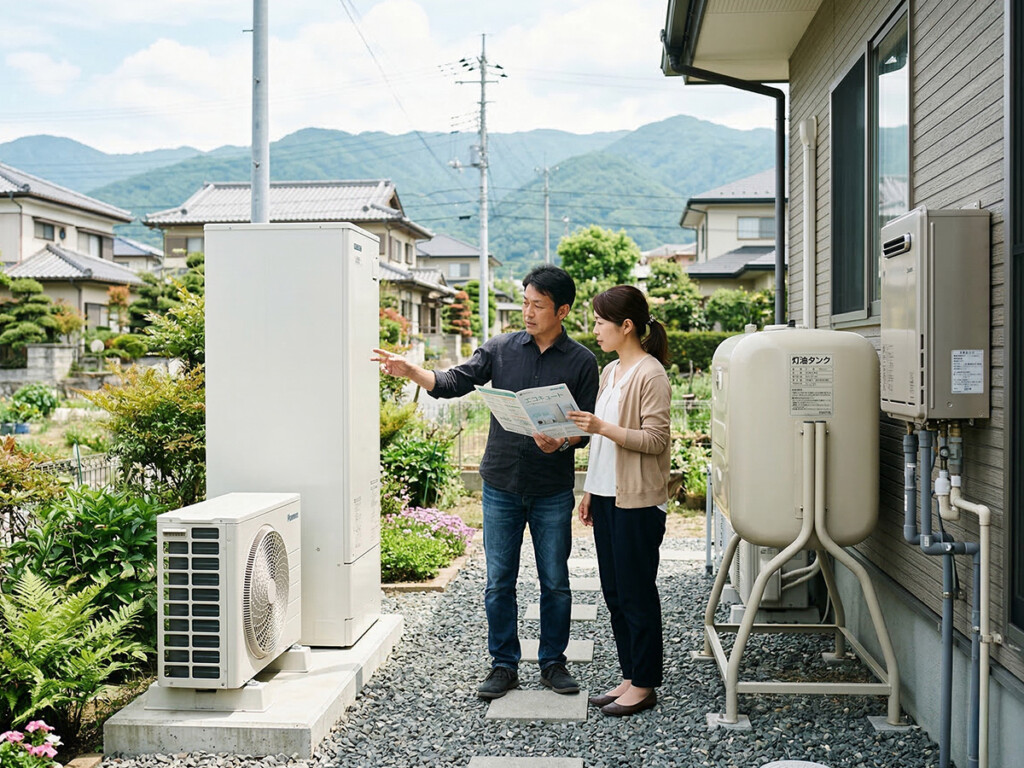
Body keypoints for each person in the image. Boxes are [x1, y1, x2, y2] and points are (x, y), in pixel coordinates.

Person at [372, 265, 598, 700]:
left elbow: (587, 428)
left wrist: (563, 442)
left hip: (551, 486)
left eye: (539, 305)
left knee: (554, 580)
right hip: (500, 483)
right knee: (499, 580)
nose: (528, 312)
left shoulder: (582, 361)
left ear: (563, 310)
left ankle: (553, 662)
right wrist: (414, 372)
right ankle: (503, 665)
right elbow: (457, 380)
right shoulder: (500, 348)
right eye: (526, 302)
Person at [566, 285, 671, 717]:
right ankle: (629, 676)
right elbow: (601, 446)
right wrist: (590, 488)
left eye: (599, 322)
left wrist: (601, 426)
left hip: (639, 503)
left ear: (626, 326)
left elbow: (656, 440)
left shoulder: (651, 374)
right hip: (608, 497)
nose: (594, 330)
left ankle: (645, 685)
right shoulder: (611, 372)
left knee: (636, 593)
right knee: (614, 593)